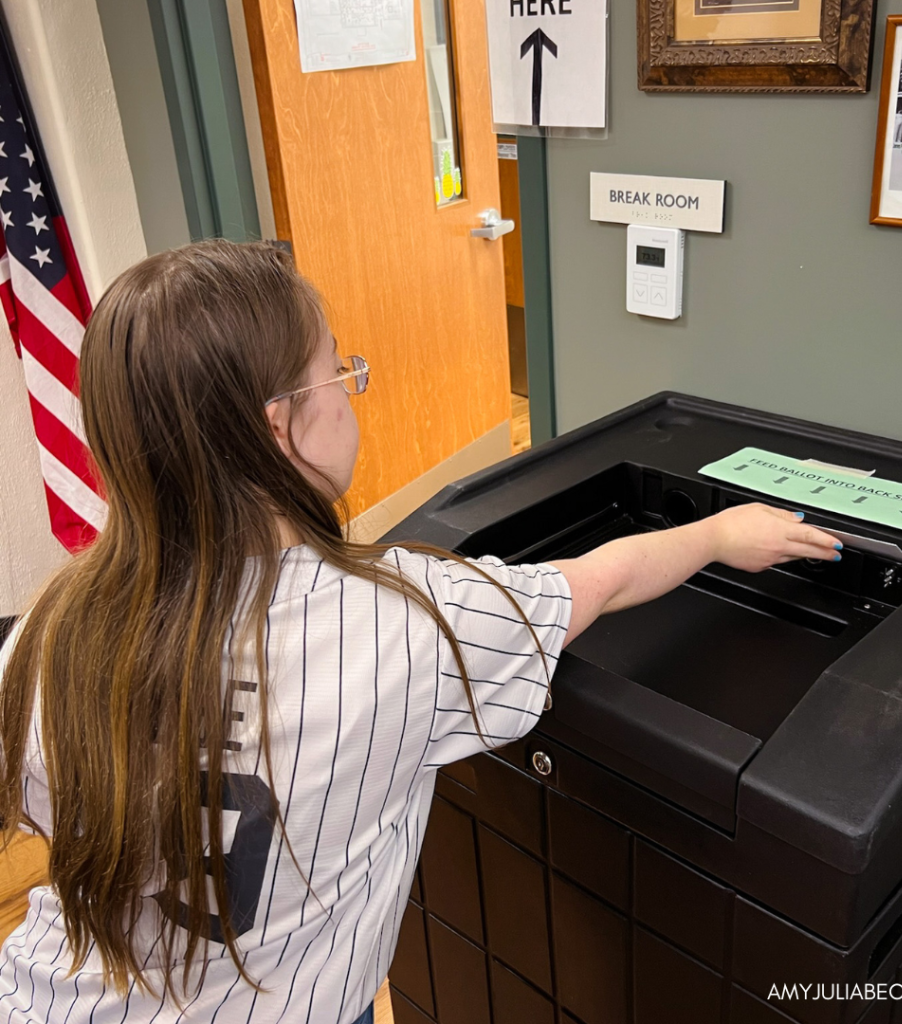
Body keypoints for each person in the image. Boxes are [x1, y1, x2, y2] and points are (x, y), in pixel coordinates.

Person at [0, 241, 840, 1022]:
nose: (348, 384)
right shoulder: (404, 623)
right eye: (338, 369)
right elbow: (601, 582)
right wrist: (717, 537)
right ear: (279, 426)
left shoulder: (45, 629)